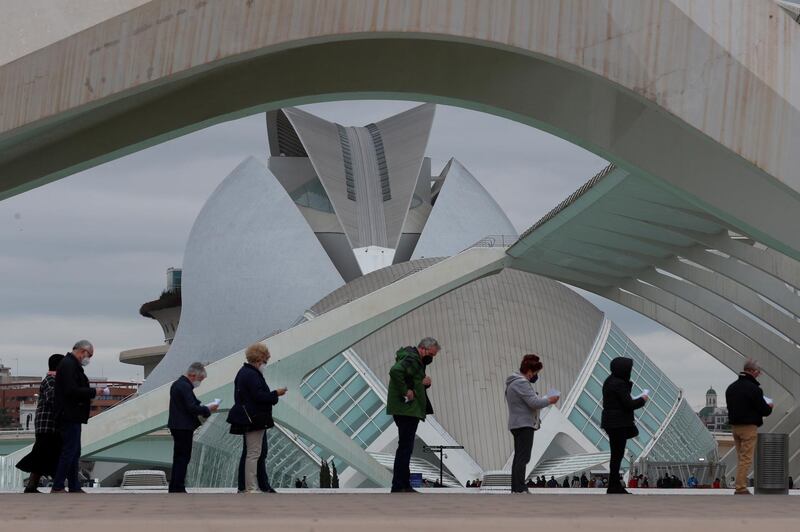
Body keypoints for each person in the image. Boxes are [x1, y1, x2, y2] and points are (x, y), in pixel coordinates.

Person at [226, 343, 287, 493]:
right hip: (254, 419)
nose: (265, 364)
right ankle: (251, 487)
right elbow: (259, 396)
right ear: (259, 359)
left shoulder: (243, 373)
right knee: (253, 453)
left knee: (253, 452)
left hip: (250, 418)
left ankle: (249, 486)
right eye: (265, 361)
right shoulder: (251, 374)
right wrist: (275, 394)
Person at [386, 337, 440, 493]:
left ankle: (404, 484)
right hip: (406, 410)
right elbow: (395, 371)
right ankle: (398, 486)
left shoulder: (415, 360)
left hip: (408, 409)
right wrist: (406, 391)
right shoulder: (411, 358)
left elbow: (412, 380)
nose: (432, 358)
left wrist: (423, 383)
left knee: (406, 447)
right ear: (423, 349)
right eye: (431, 354)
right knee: (404, 447)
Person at [52, 340, 102, 493]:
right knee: (69, 451)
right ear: (82, 351)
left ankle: (73, 485)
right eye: (89, 355)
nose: (89, 359)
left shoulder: (70, 365)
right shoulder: (69, 365)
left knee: (74, 451)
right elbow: (71, 390)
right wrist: (93, 392)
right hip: (69, 414)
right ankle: (58, 485)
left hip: (72, 414)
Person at [504, 353, 558, 493]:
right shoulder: (521, 383)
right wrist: (549, 400)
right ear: (529, 372)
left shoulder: (513, 383)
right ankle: (520, 487)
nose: (535, 376)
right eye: (535, 373)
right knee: (523, 457)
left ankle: (516, 487)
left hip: (516, 424)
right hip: (524, 425)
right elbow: (534, 403)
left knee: (519, 457)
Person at [16, 354, 65, 493]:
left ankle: (33, 485)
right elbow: (53, 398)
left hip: (48, 425)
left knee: (44, 453)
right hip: (47, 425)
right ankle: (54, 485)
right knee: (46, 453)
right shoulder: (51, 380)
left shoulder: (53, 380)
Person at [601, 357, 647, 494]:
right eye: (629, 369)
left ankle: (613, 485)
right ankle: (614, 485)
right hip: (618, 422)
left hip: (610, 421)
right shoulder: (620, 384)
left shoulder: (609, 381)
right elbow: (629, 404)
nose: (630, 371)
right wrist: (642, 399)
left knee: (616, 454)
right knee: (617, 455)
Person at [167, 362, 216, 493]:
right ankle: (179, 487)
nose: (199, 382)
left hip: (176, 425)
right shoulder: (185, 386)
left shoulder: (177, 384)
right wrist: (207, 409)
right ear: (192, 375)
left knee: (178, 457)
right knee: (183, 457)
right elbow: (191, 407)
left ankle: (174, 486)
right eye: (200, 379)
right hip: (184, 426)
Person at [726, 359, 773, 495]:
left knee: (741, 458)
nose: (759, 374)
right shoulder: (754, 389)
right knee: (746, 458)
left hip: (735, 427)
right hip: (748, 428)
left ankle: (740, 485)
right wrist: (769, 407)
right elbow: (764, 410)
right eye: (758, 372)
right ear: (752, 371)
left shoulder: (731, 387)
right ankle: (740, 487)